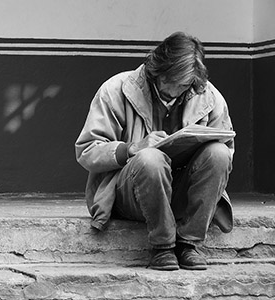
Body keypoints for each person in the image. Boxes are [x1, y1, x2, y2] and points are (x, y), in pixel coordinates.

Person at [75, 32, 234, 271]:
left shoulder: (208, 96)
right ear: (157, 69)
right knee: (150, 158)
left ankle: (189, 244)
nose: (177, 89)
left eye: (185, 85)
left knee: (218, 154)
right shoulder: (116, 89)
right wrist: (131, 148)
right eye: (171, 81)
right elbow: (86, 150)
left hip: (180, 193)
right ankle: (162, 246)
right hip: (131, 195)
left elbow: (226, 154)